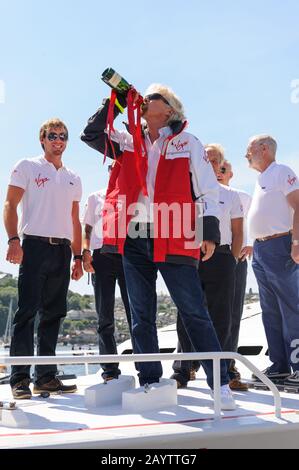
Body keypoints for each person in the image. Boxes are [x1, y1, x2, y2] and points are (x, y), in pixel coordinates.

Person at [81, 84, 236, 409]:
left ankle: (220, 384)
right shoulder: (128, 141)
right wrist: (117, 101)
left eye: (155, 97)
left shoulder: (187, 143)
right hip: (135, 232)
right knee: (141, 314)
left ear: (169, 109)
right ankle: (150, 380)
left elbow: (209, 190)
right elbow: (92, 134)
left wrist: (209, 231)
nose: (147, 99)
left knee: (194, 311)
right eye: (145, 96)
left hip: (176, 231)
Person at [3, 118, 83, 399]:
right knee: (26, 313)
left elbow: (75, 219)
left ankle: (46, 377)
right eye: (52, 136)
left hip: (62, 251)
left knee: (55, 313)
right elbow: (10, 204)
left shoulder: (74, 177)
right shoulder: (27, 166)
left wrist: (78, 256)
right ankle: (20, 379)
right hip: (34, 247)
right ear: (43, 139)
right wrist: (13, 240)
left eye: (63, 136)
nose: (58, 140)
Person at [172, 144, 246, 391]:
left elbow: (237, 232)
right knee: (185, 314)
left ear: (221, 165)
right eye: (206, 160)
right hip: (189, 257)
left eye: (215, 162)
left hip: (222, 258)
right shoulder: (186, 193)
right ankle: (183, 370)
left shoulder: (231, 195)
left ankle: (222, 371)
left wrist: (232, 261)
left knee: (222, 316)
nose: (210, 165)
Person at [246, 134, 299, 385]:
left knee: (291, 308)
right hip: (261, 250)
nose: (246, 154)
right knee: (270, 311)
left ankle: (298, 365)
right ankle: (279, 366)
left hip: (280, 246)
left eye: (250, 149)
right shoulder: (260, 180)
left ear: (263, 149)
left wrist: (296, 243)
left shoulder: (281, 171)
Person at [82, 165, 132, 381]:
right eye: (113, 167)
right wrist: (84, 251)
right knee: (105, 316)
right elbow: (87, 228)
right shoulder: (95, 197)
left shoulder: (134, 196)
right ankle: (110, 370)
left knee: (137, 314)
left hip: (130, 254)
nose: (116, 171)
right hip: (102, 256)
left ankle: (145, 366)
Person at [217, 159, 252, 381]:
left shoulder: (243, 197)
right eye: (215, 168)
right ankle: (186, 365)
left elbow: (257, 221)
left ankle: (228, 365)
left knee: (232, 315)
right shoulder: (201, 194)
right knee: (192, 313)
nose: (218, 172)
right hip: (205, 259)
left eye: (223, 169)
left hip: (235, 260)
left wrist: (253, 243)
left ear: (231, 173)